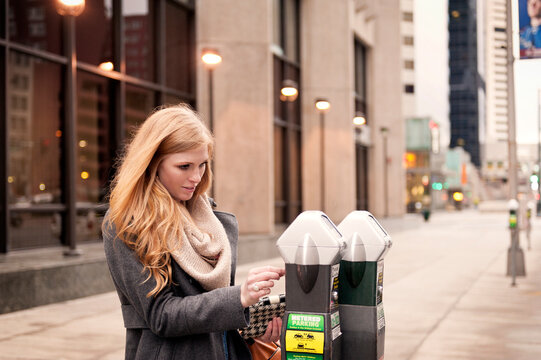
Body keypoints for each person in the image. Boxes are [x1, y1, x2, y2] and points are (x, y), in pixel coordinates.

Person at [103, 104, 285, 359]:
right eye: (184, 166)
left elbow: (210, 305)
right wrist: (238, 297)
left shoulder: (205, 217)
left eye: (202, 165)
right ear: (152, 163)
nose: (196, 177)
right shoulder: (127, 223)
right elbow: (161, 315)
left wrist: (251, 322)